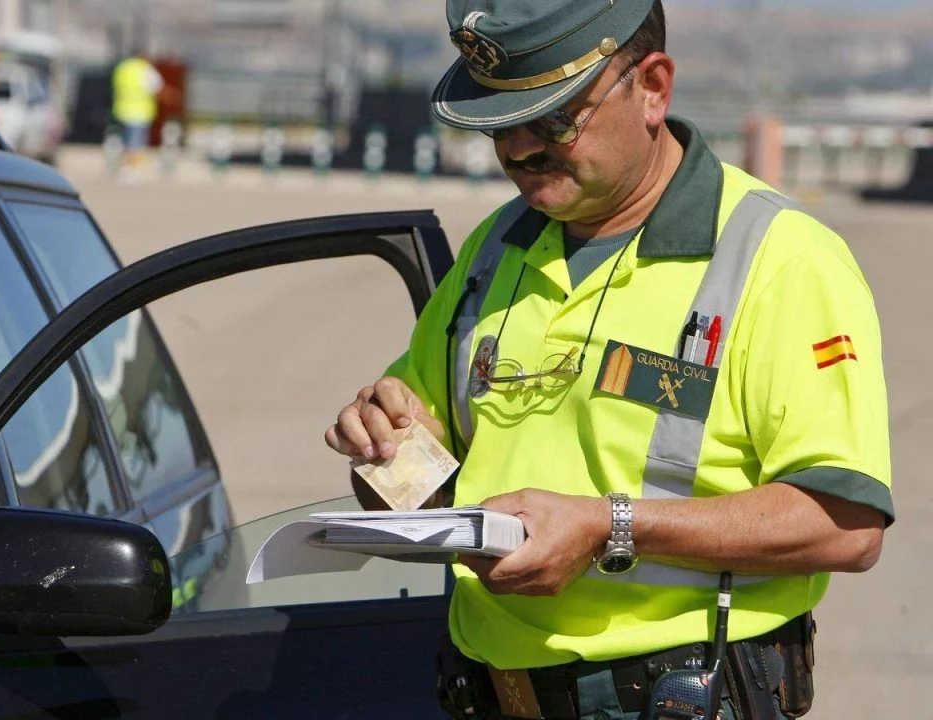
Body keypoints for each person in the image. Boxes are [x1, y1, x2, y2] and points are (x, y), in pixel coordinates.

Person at [324, 1, 891, 718]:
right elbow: (417, 486)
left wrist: (609, 527)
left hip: (675, 697)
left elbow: (846, 522)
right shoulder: (496, 250)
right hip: (484, 692)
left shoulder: (779, 259)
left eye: (555, 118)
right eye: (498, 123)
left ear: (652, 86)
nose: (520, 150)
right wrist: (382, 449)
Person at [110, 50, 164, 175]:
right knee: (135, 142)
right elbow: (157, 87)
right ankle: (132, 168)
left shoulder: (123, 68)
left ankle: (121, 165)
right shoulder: (144, 69)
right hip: (139, 112)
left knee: (124, 140)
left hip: (122, 110)